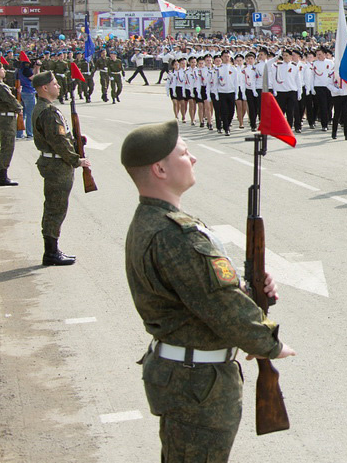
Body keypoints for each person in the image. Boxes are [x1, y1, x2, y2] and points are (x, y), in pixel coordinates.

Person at [120, 120, 295, 462]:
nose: (193, 159)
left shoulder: (155, 220)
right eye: (184, 154)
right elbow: (220, 303)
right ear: (159, 169)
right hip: (197, 385)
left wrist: (250, 288)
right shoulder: (175, 234)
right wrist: (269, 343)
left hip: (186, 377)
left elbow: (202, 289)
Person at [31, 71, 91, 266]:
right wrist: (76, 160)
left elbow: (60, 138)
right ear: (44, 88)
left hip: (55, 162)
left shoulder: (45, 108)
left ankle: (52, 249)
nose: (58, 86)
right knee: (55, 208)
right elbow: (57, 141)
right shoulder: (48, 111)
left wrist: (76, 141)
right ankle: (51, 252)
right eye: (54, 84)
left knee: (55, 207)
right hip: (57, 165)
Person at [0, 61, 22, 185]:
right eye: (2, 69)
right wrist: (19, 108)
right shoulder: (0, 85)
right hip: (6, 119)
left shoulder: (2, 85)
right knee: (7, 146)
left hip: (6, 118)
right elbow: (10, 100)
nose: (4, 71)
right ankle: (2, 175)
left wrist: (15, 89)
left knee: (6, 146)